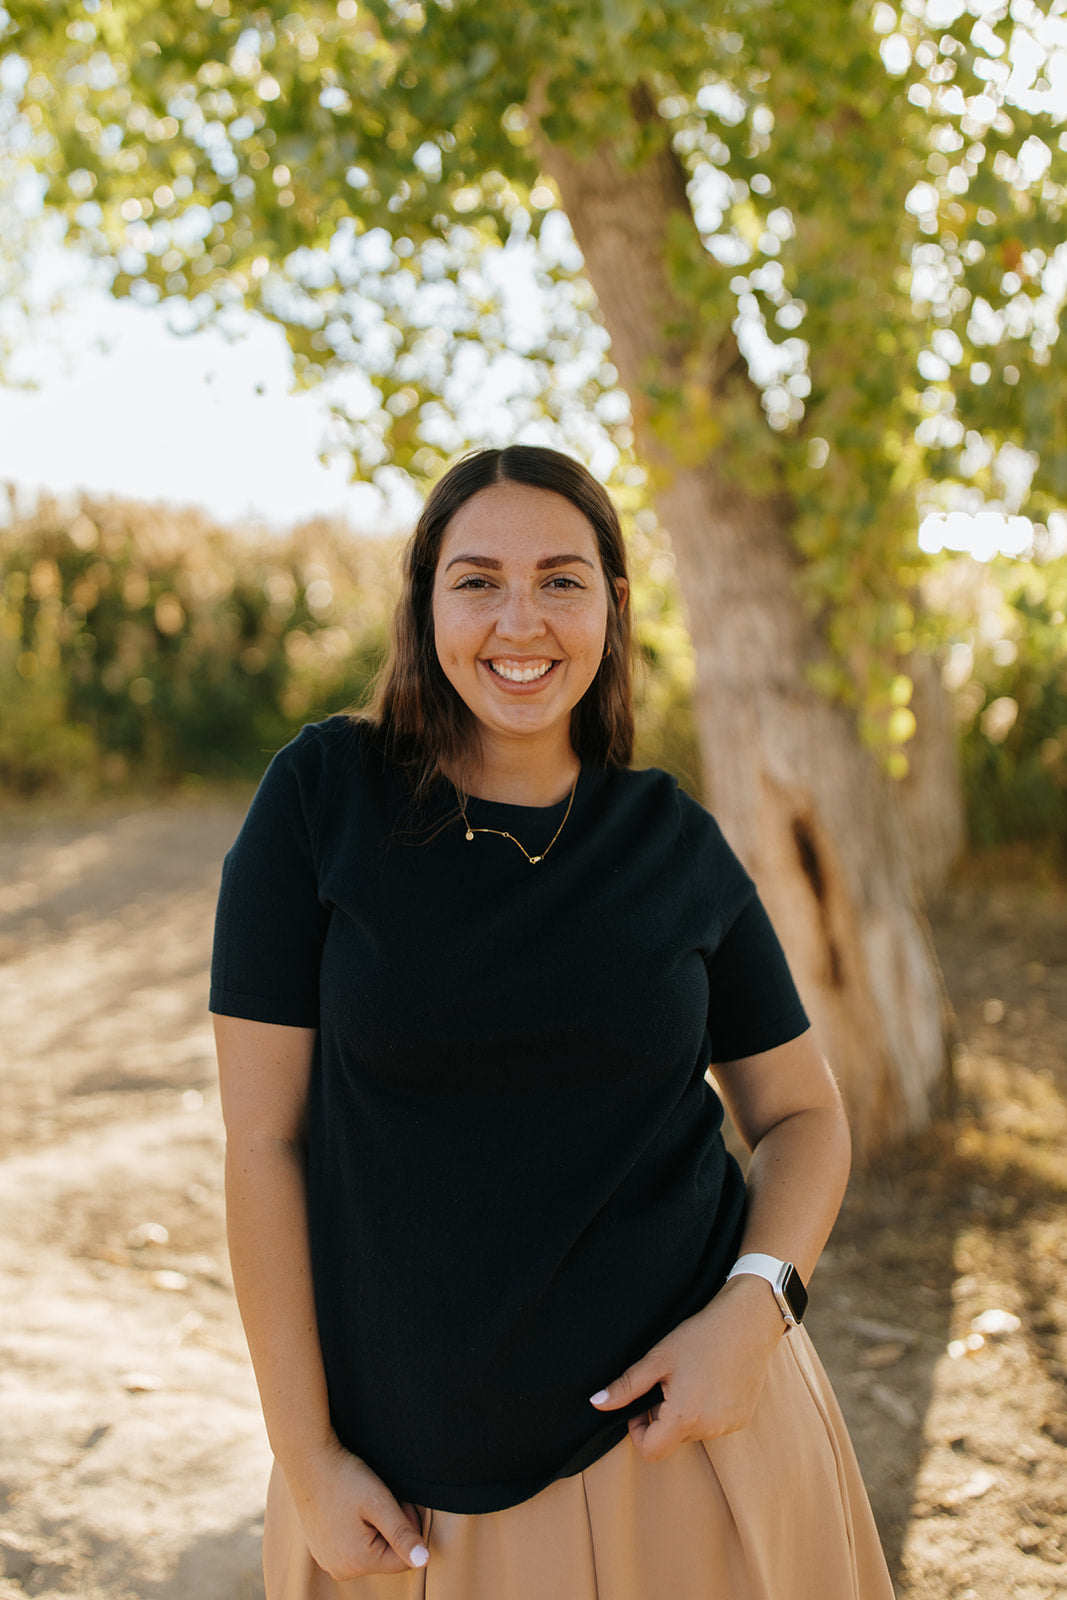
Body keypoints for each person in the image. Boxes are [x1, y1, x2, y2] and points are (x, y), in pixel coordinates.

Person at [210, 444, 894, 1600]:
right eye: (476, 579)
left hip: (691, 1446)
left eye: (560, 580)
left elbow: (801, 1115)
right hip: (402, 1488)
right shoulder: (320, 801)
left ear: (613, 607)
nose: (517, 620)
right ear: (425, 598)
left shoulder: (670, 841)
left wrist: (755, 1304)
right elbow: (262, 1146)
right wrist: (306, 1453)